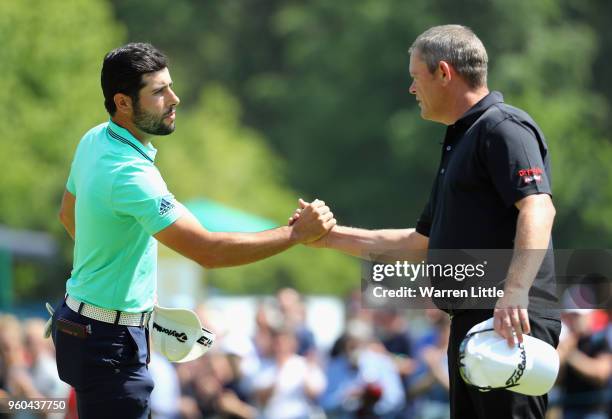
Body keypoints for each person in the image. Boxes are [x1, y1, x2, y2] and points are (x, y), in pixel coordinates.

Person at [291, 25, 560, 418]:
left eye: (416, 77)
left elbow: (538, 208)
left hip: (508, 319)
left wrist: (515, 291)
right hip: (476, 320)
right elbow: (418, 242)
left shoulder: (503, 127)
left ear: (445, 73)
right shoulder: (463, 139)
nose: (411, 89)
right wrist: (327, 238)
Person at [55, 42, 336, 419]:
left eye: (170, 86)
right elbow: (209, 252)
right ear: (122, 103)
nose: (175, 99)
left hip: (79, 322)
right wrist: (295, 235)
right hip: (108, 341)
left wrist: (121, 286)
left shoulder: (94, 139)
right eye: (158, 91)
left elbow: (68, 215)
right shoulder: (132, 175)